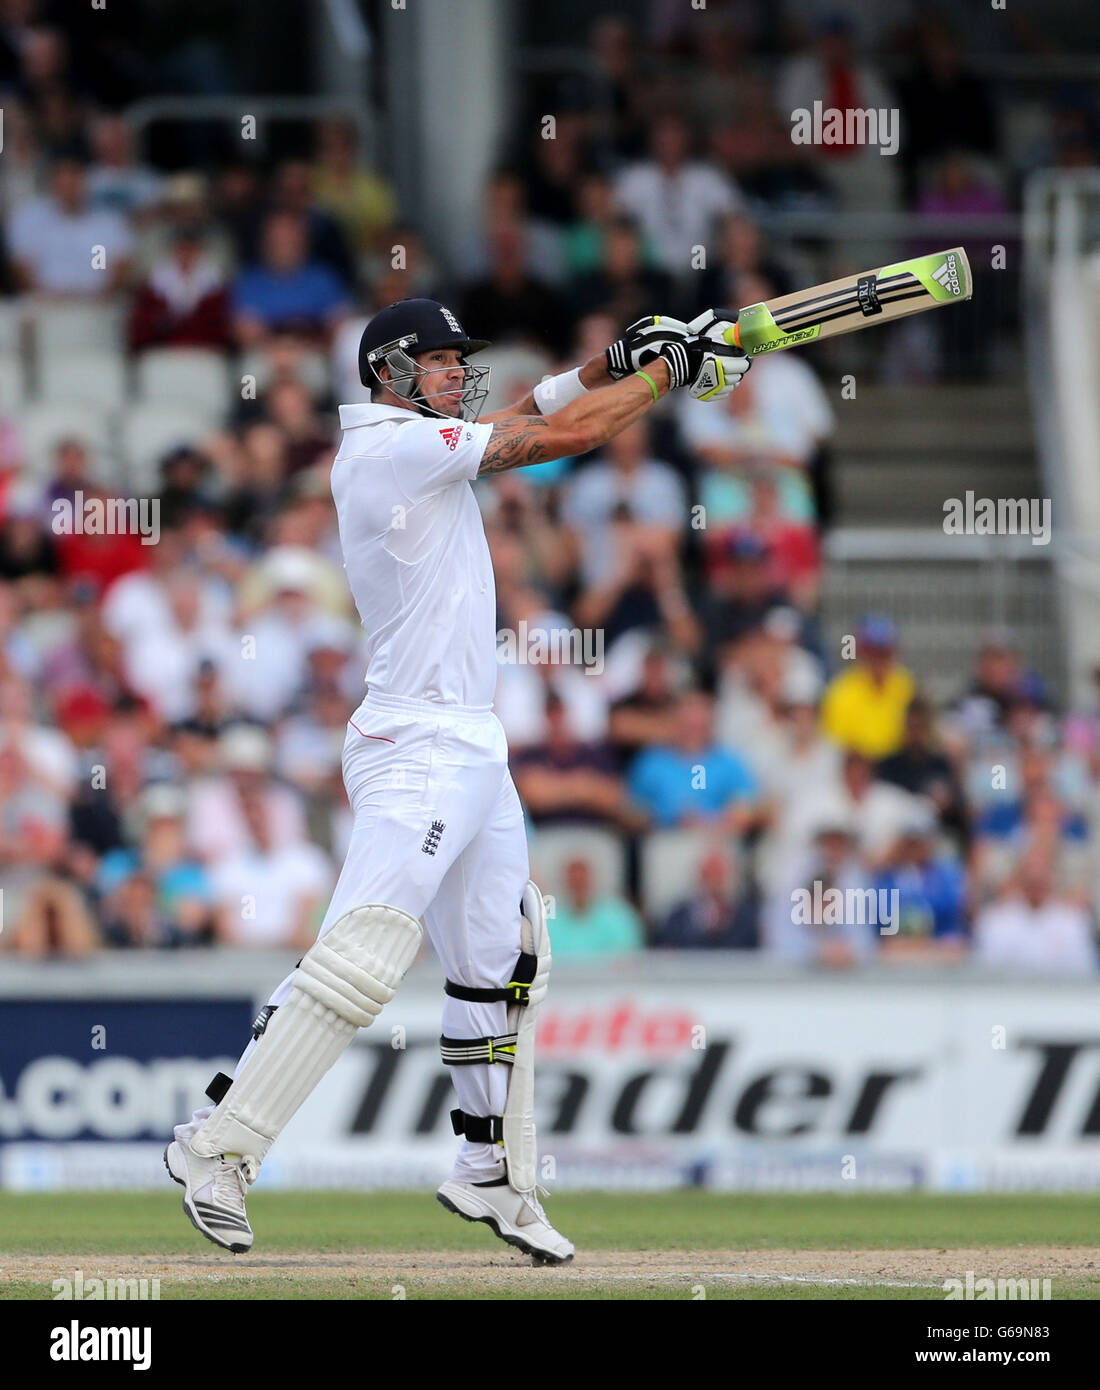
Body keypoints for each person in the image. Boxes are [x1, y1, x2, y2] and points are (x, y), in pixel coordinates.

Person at [164, 296, 750, 1261]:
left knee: (502, 966)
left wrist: (618, 356)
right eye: (437, 362)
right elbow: (550, 438)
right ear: (387, 371)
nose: (454, 374)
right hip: (417, 743)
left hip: (473, 744)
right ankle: (216, 1147)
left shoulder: (423, 440)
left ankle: (491, 1175)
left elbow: (526, 411)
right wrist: (669, 376)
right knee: (363, 954)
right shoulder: (387, 449)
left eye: (455, 362)